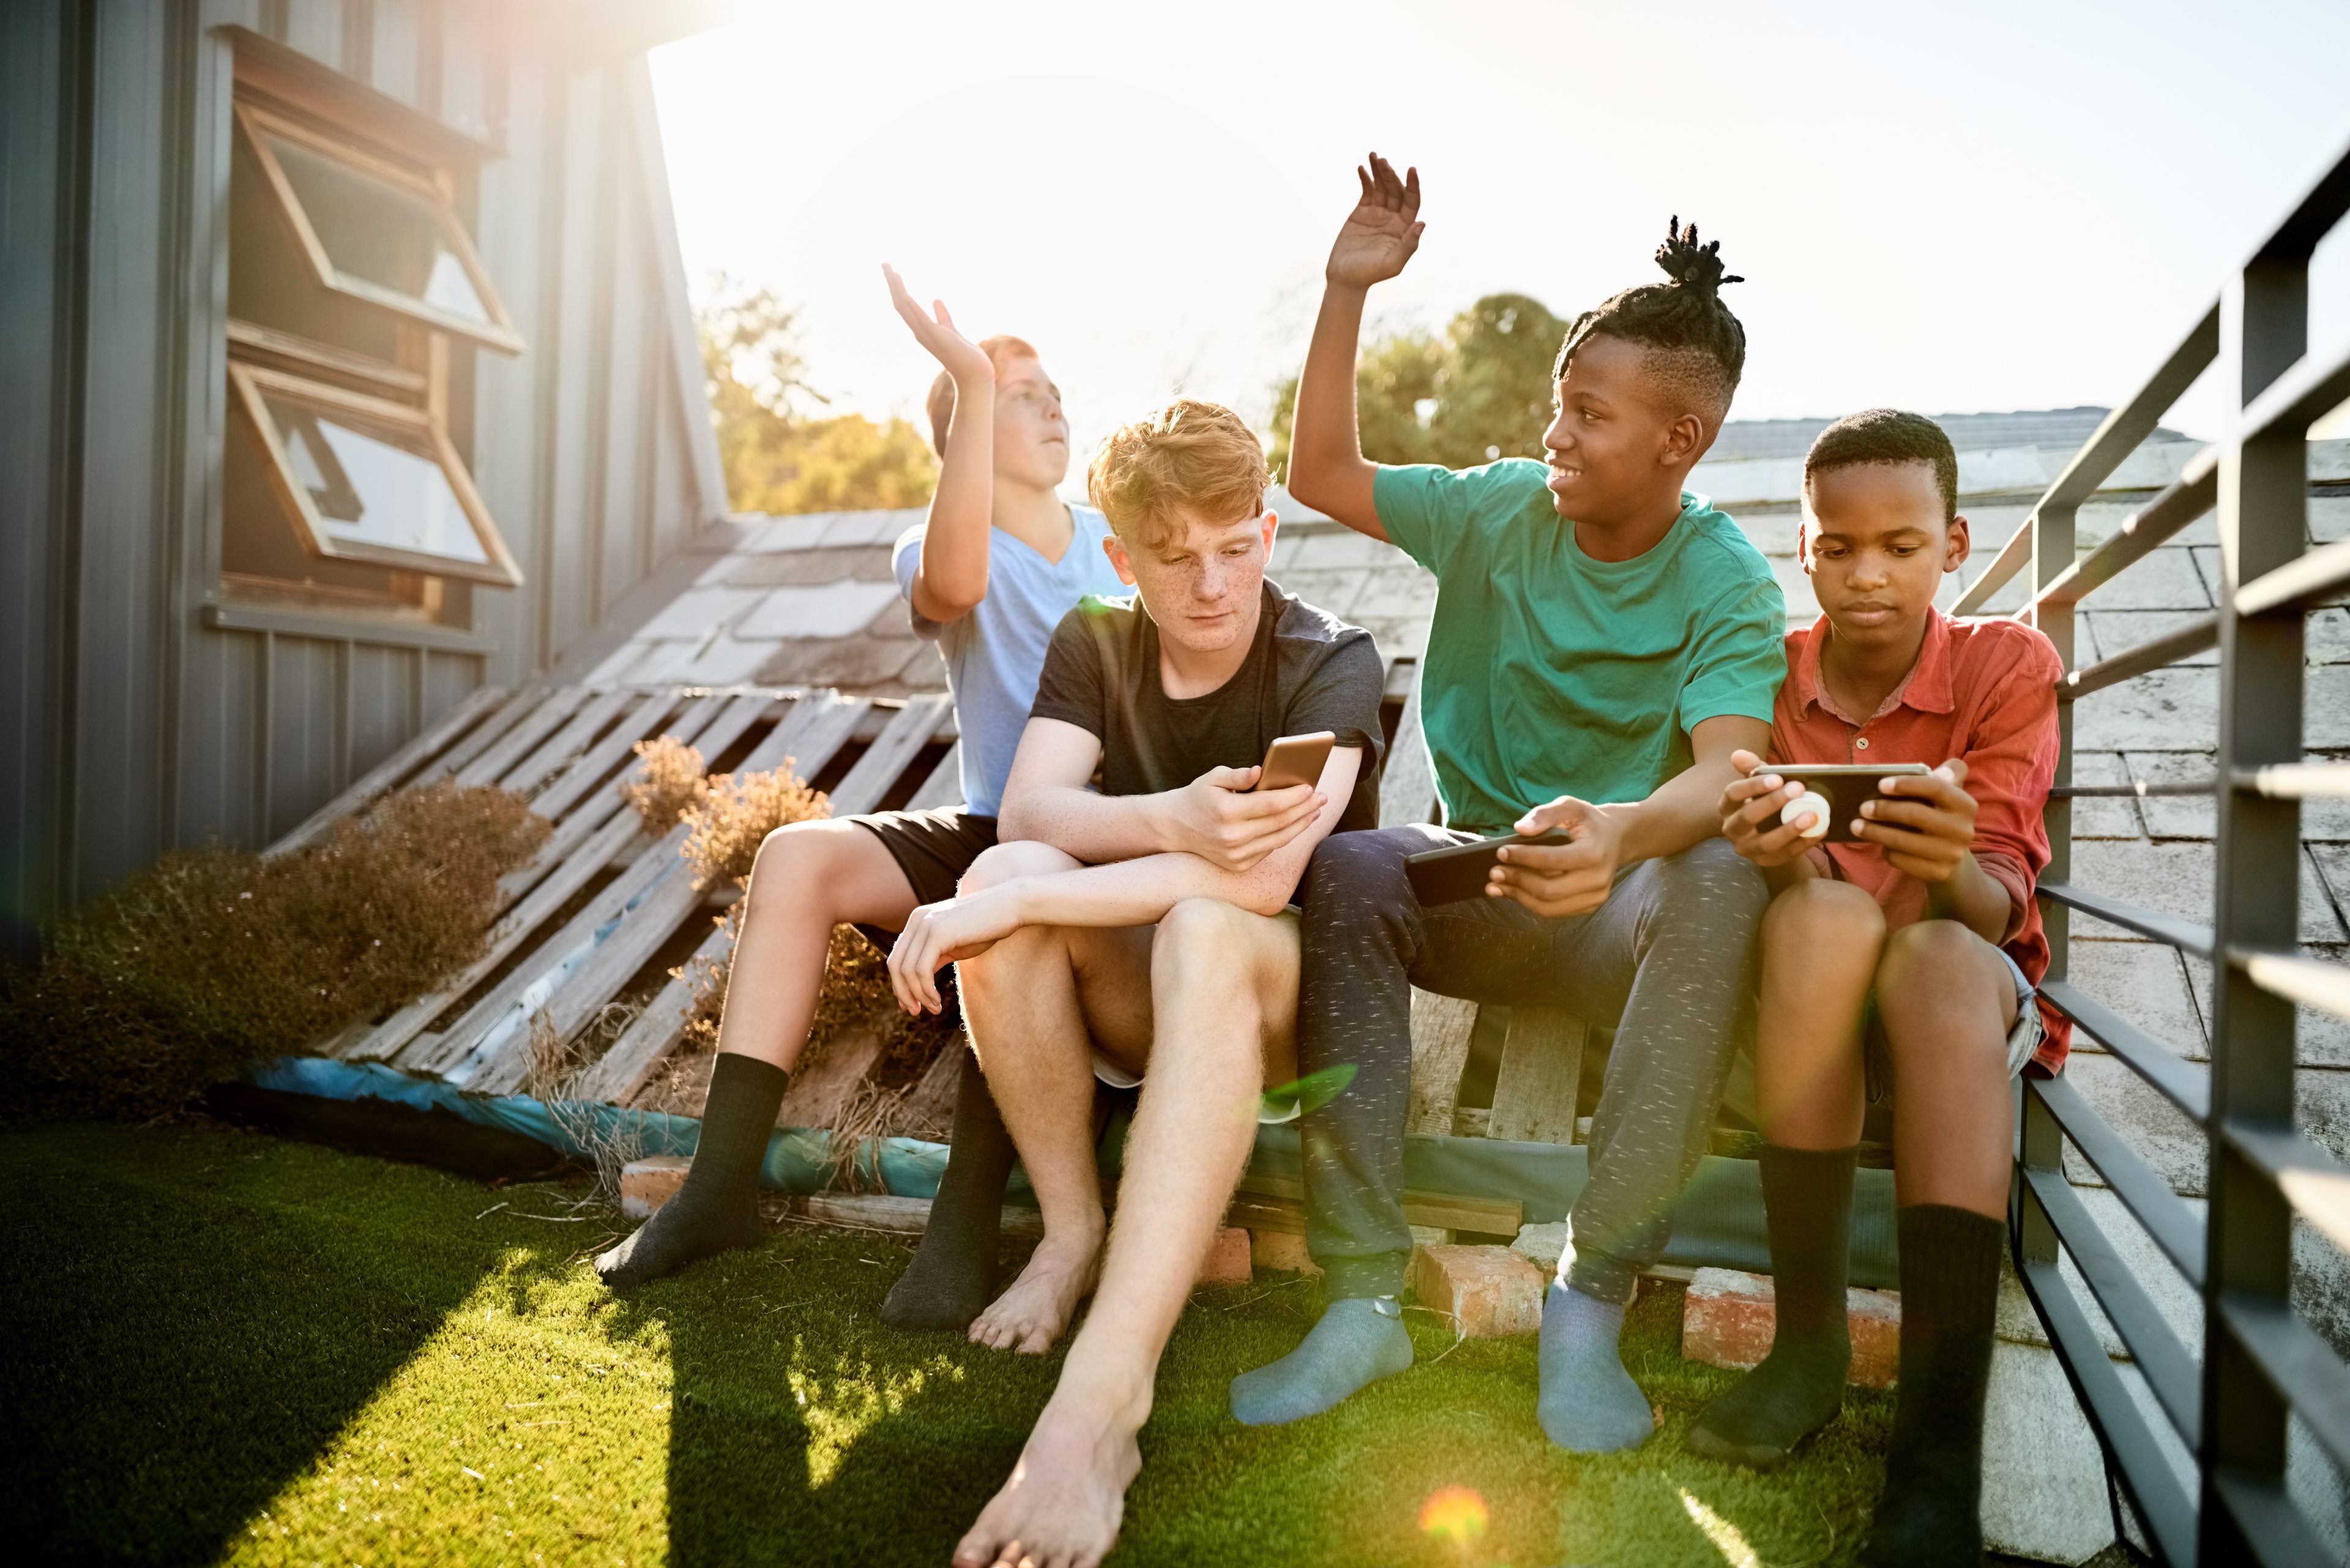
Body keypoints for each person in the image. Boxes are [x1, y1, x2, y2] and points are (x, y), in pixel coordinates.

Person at [1228, 155, 1786, 1454]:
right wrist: (1344, 289)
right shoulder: (1492, 514)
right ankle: (1365, 1294)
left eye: (1590, 413)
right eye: (1559, 402)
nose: (1558, 433)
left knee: (1715, 873)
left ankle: (1591, 1299)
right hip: (1481, 881)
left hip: (1625, 915)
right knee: (1358, 865)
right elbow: (1318, 472)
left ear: (1678, 440)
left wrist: (1623, 838)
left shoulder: (1726, 579)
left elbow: (1727, 772)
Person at [881, 398, 1387, 1568]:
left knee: (1189, 918)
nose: (1213, 584)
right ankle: (1071, 1232)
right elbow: (1033, 808)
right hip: (1141, 999)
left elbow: (1264, 883)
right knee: (1011, 862)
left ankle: (1104, 1405)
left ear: (1268, 532)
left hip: (1284, 1017)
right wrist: (1162, 822)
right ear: (1122, 560)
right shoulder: (1096, 636)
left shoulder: (1328, 658)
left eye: (1236, 547)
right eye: (1175, 558)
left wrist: (1022, 896)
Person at [594, 267, 1127, 1305]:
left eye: (1052, 388)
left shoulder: (1116, 548)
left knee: (998, 896)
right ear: (960, 435)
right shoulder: (932, 544)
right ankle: (717, 1189)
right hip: (991, 821)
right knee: (797, 857)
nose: (1051, 403)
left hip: (1092, 839)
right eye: (1020, 393)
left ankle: (962, 1225)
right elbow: (959, 585)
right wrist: (971, 382)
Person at [1695, 409, 2062, 1567]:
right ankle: (1806, 1348)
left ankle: (1937, 1445)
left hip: (1952, 989)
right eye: (1839, 546)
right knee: (1819, 914)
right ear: (1803, 550)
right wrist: (1774, 844)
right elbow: (1797, 882)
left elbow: (1996, 907)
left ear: (1952, 546)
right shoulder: (1770, 671)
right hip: (1817, 996)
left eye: (1901, 546)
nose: (1868, 575)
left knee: (1941, 956)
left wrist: (1947, 856)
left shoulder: (2005, 663)